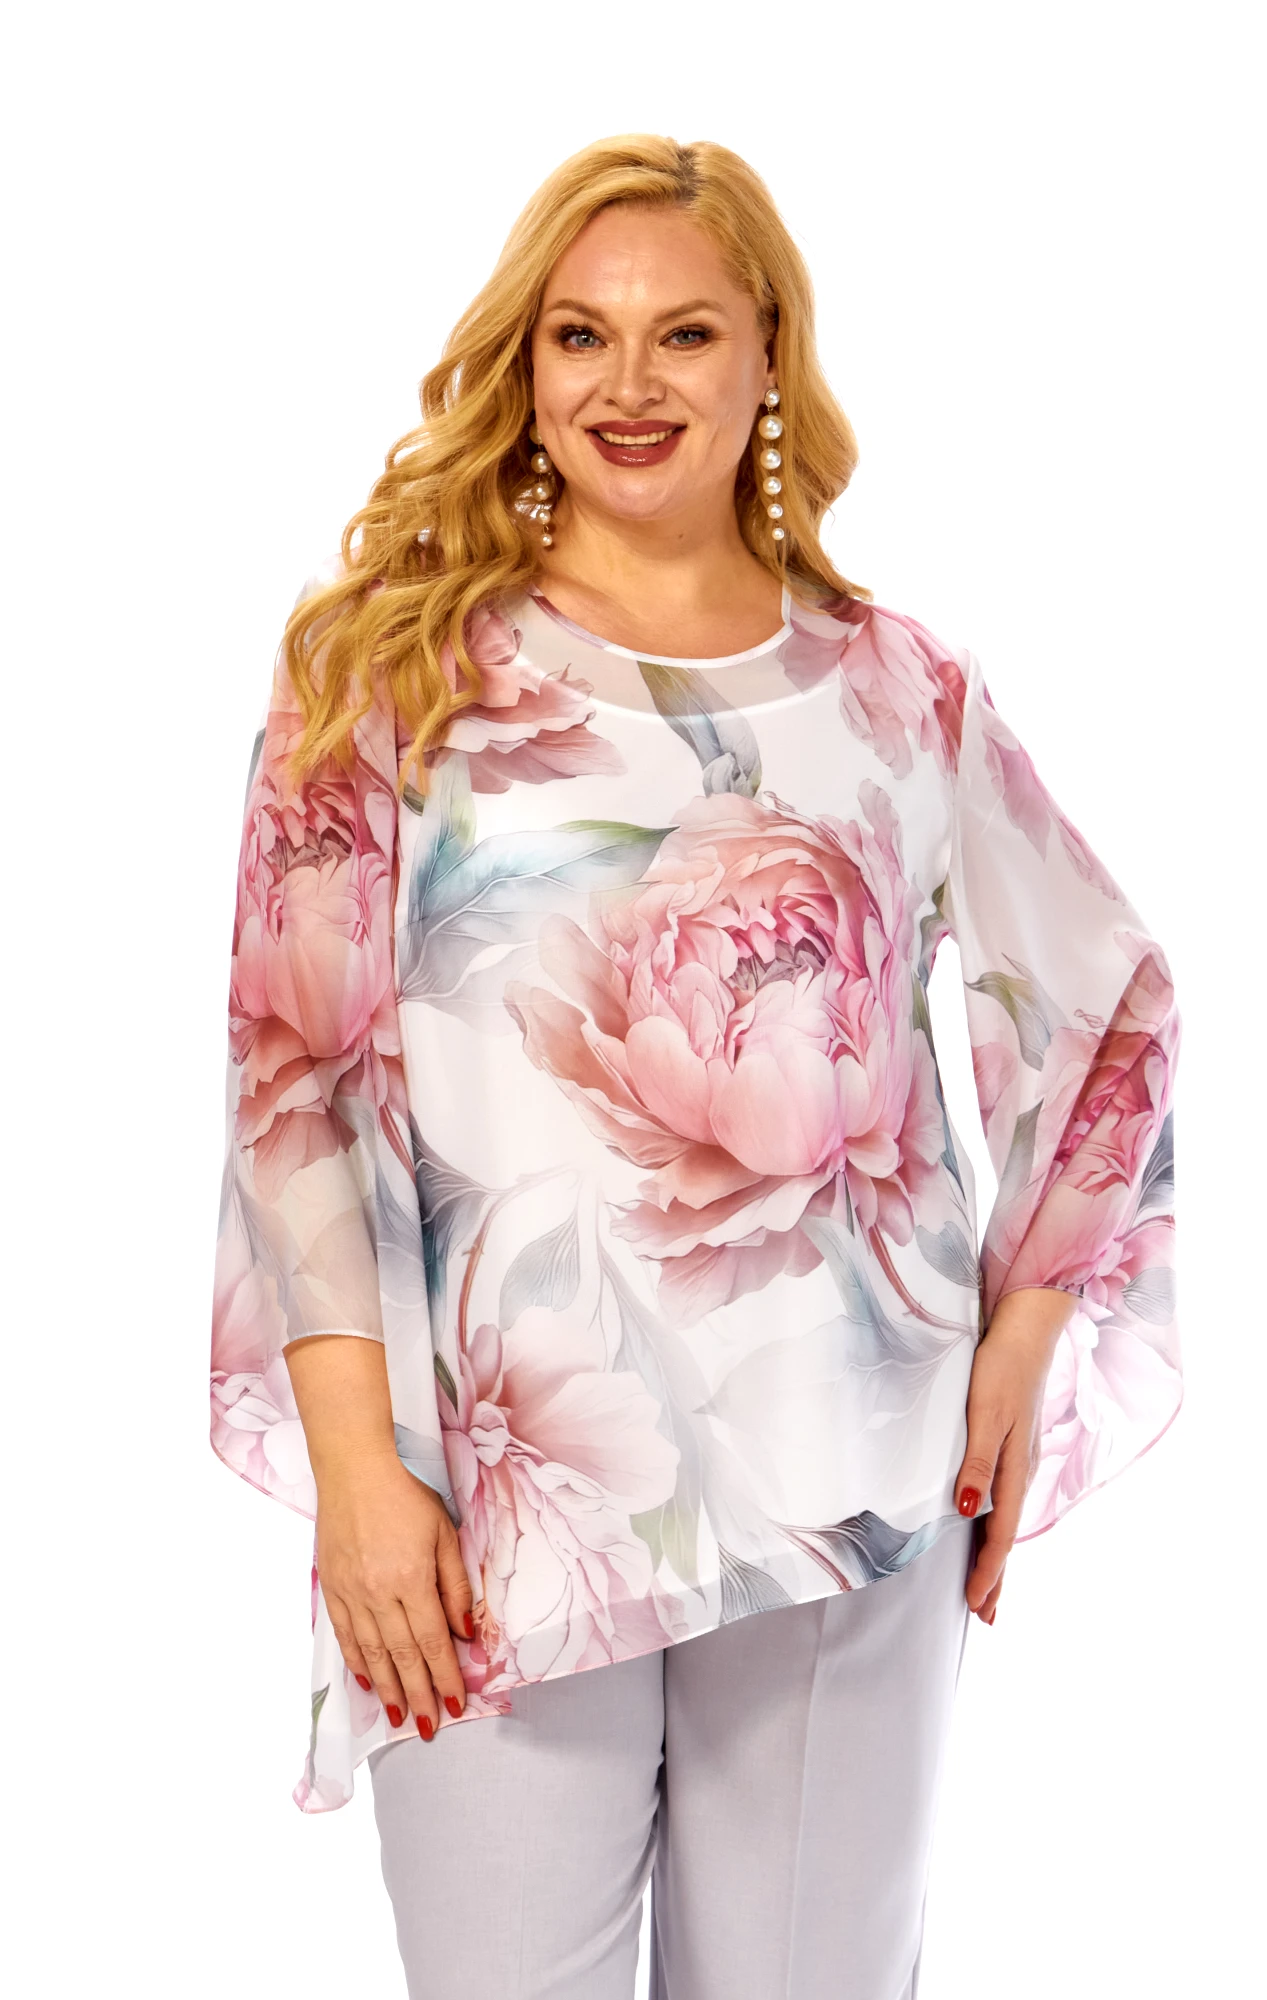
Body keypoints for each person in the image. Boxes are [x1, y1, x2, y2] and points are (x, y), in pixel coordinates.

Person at [210, 134, 1182, 2000]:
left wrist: (1030, 1329)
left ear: (768, 361)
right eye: (580, 334)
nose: (627, 383)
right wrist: (357, 1474)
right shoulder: (392, 678)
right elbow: (295, 1084)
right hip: (501, 1499)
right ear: (526, 367)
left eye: (685, 333)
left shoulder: (901, 689)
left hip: (858, 1478)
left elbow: (1111, 1001)